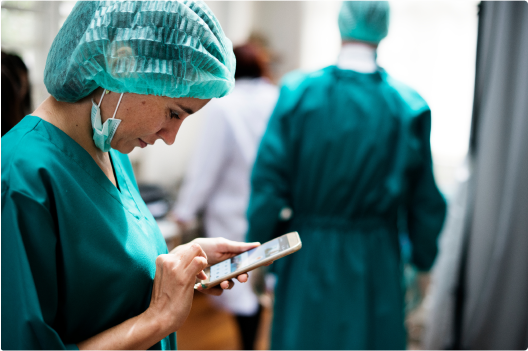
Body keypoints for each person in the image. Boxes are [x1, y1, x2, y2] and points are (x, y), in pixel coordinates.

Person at [1, 1, 263, 350]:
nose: (171, 137)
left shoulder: (111, 149)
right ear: (124, 67)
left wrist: (181, 265)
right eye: (173, 112)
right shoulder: (21, 177)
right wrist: (160, 318)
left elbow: (106, 280)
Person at [246, 0, 447, 350]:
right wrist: (423, 264)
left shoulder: (298, 95)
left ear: (341, 22)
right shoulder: (407, 106)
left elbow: (268, 187)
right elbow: (426, 202)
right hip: (377, 260)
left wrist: (256, 255)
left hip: (306, 253)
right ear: (383, 28)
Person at [172, 43, 278, 351]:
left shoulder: (224, 104)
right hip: (266, 210)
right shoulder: (277, 97)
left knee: (237, 287)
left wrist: (185, 210)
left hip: (230, 211)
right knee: (256, 286)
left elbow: (207, 166)